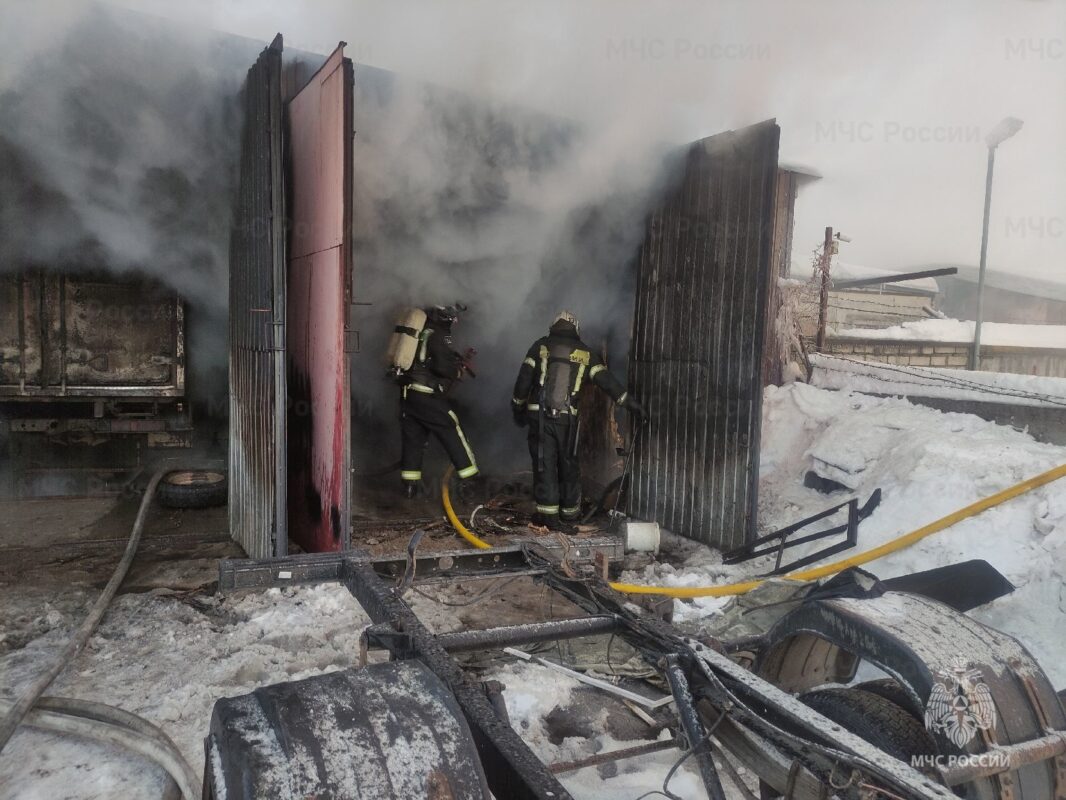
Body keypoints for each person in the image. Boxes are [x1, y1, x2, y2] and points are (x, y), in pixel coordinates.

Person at [511, 311, 645, 529]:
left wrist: (517, 407)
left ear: (553, 326)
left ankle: (548, 517)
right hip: (567, 421)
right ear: (576, 329)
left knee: (545, 465)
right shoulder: (586, 353)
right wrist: (632, 404)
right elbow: (608, 383)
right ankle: (570, 515)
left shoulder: (540, 347)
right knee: (568, 465)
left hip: (540, 417)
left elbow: (523, 380)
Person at [399, 304, 478, 498]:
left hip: (408, 396)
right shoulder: (440, 334)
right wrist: (457, 370)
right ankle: (469, 482)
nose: (456, 320)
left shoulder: (420, 331)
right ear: (445, 316)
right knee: (452, 429)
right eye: (453, 317)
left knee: (414, 441)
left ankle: (410, 488)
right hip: (427, 396)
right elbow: (442, 366)